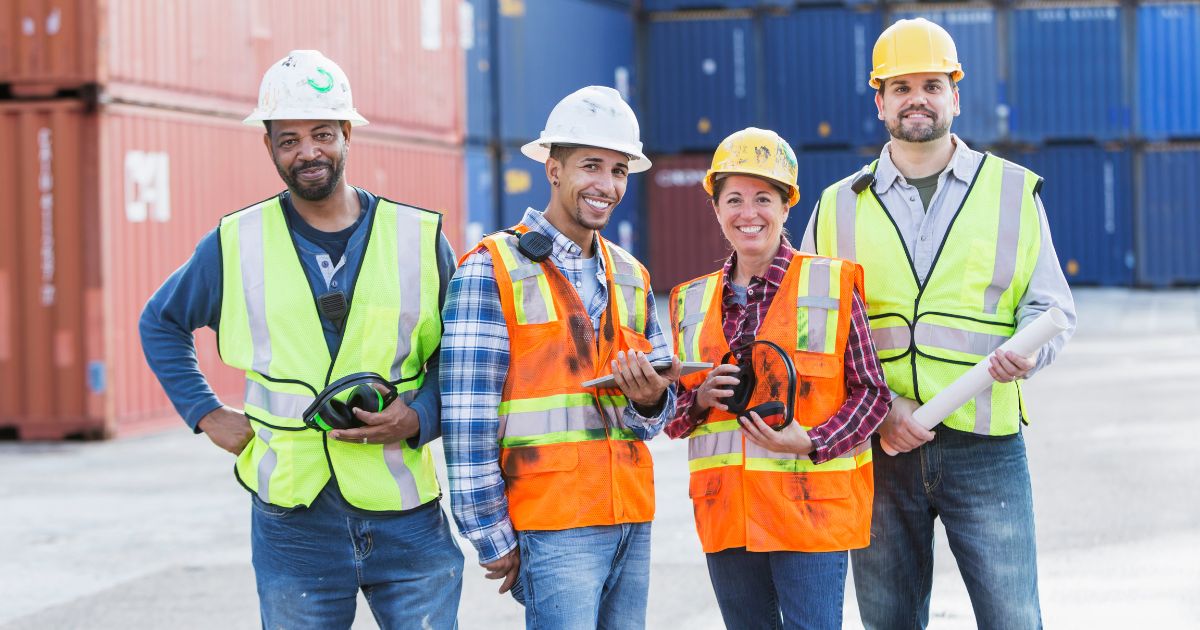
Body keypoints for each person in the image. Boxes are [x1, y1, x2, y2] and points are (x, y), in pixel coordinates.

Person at [138, 50, 463, 629]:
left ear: (347, 134)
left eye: (321, 134)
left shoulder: (419, 237)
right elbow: (160, 322)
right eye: (288, 139)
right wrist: (206, 414)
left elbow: (460, 359)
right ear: (268, 148)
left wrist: (420, 418)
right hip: (293, 519)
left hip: (405, 514)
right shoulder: (236, 242)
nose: (307, 151)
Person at [801, 18, 1078, 629]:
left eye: (931, 84)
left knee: (1013, 618)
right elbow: (816, 340)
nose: (916, 98)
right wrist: (881, 409)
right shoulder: (836, 206)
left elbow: (1051, 309)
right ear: (880, 102)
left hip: (985, 447)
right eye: (901, 87)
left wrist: (1028, 355)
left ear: (956, 92)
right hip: (881, 446)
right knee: (888, 620)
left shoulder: (1012, 190)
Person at [441, 85, 677, 630]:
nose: (607, 185)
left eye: (619, 170)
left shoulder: (631, 275)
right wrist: (489, 535)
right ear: (553, 168)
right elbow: (467, 418)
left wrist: (650, 401)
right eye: (591, 166)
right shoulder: (490, 269)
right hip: (554, 522)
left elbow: (657, 417)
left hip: (631, 517)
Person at [666, 127, 890, 630]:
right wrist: (699, 398)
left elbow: (872, 394)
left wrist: (810, 440)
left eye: (763, 198)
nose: (749, 213)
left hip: (810, 516)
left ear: (787, 205)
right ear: (717, 208)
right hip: (728, 515)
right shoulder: (690, 301)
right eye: (735, 199)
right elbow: (674, 421)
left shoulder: (830, 283)